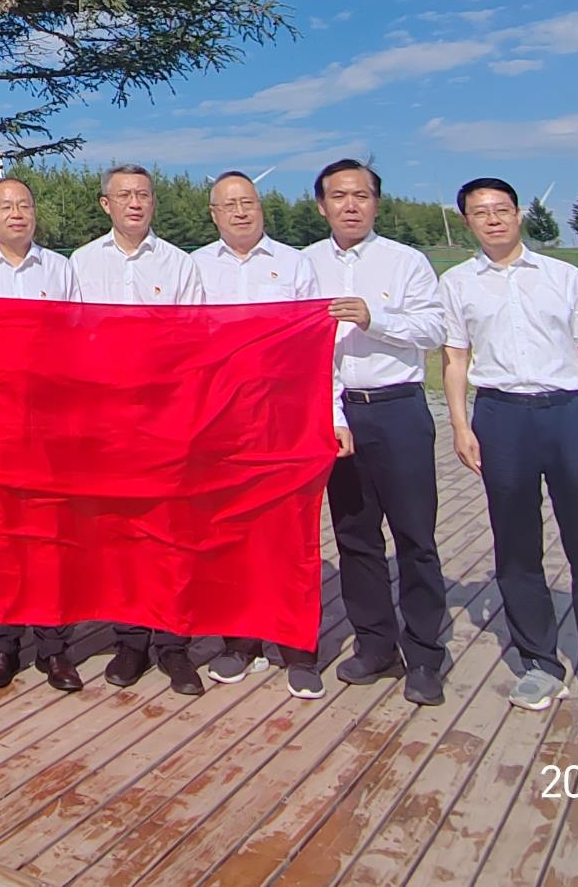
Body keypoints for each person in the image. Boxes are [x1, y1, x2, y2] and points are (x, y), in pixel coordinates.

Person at [441, 178, 578, 730]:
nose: (493, 220)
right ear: (466, 221)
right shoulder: (457, 284)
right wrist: (461, 424)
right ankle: (538, 662)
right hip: (500, 416)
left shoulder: (564, 277)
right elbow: (455, 361)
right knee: (515, 543)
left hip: (566, 413)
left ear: (519, 215)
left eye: (502, 210)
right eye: (480, 212)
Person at [302, 159, 447, 707]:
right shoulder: (305, 263)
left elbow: (434, 329)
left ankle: (426, 654)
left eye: (361, 196)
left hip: (398, 408)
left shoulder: (405, 262)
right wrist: (332, 415)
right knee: (356, 537)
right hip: (336, 414)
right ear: (322, 205)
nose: (350, 206)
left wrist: (373, 316)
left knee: (415, 537)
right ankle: (375, 644)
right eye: (339, 196)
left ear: (376, 204)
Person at [190, 170, 336, 691]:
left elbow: (324, 348)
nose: (240, 212)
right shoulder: (196, 267)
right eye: (228, 205)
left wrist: (332, 415)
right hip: (221, 420)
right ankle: (240, 642)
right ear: (214, 214)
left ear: (261, 206)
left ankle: (300, 650)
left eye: (247, 201)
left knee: (291, 531)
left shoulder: (297, 264)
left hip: (286, 418)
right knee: (229, 531)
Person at [69, 164, 206, 696]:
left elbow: (194, 339)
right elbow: (69, 337)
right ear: (106, 204)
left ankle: (174, 642)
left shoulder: (179, 264)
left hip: (164, 415)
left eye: (143, 195)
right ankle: (130, 639)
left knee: (170, 529)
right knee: (120, 530)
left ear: (154, 203)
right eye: (124, 195)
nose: (134, 203)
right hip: (105, 417)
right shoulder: (81, 263)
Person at [0, 176, 84, 693]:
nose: (17, 214)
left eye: (24, 205)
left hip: (50, 420)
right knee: (0, 533)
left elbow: (78, 339)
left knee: (49, 533)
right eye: (5, 207)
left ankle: (54, 646)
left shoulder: (61, 269)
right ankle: (2, 643)